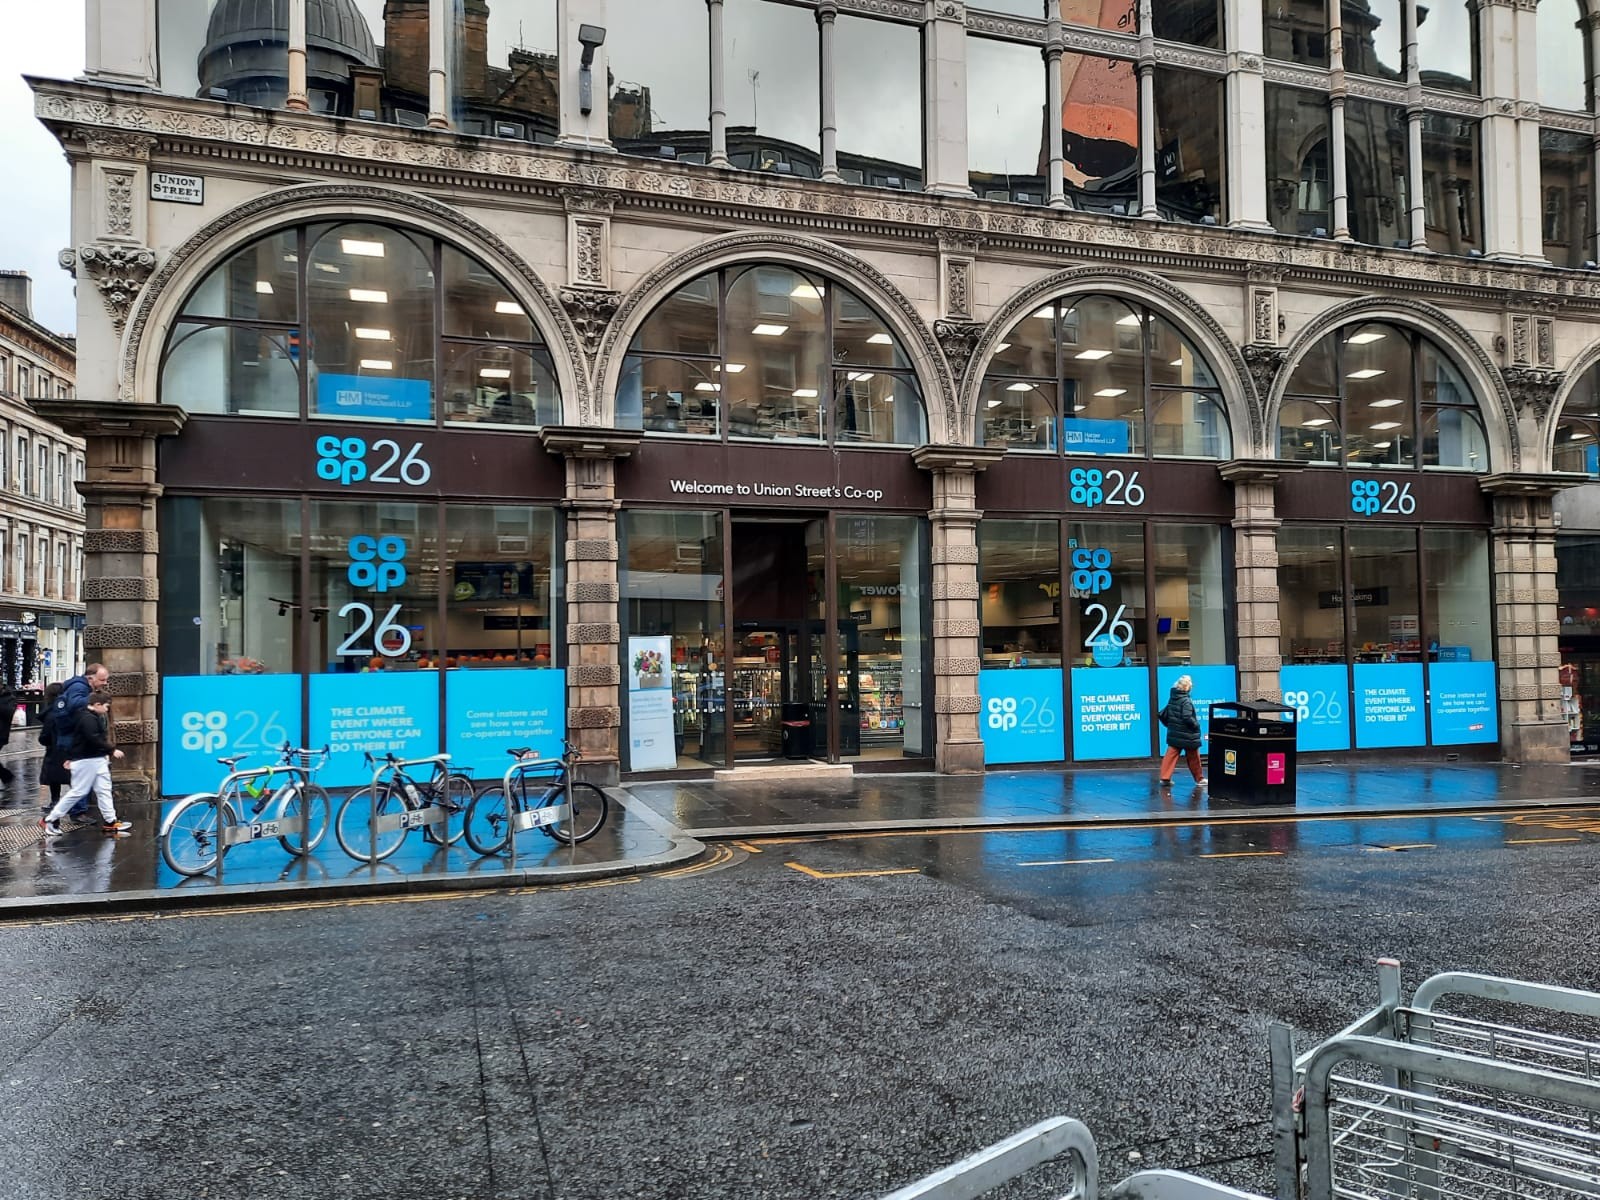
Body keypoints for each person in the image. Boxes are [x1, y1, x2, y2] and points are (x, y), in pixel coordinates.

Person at [39, 689, 130, 836]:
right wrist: (111, 750)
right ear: (97, 704)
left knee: (103, 790)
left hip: (94, 759)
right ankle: (50, 819)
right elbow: (93, 738)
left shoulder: (87, 716)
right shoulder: (88, 719)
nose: (107, 710)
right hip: (87, 760)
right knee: (78, 791)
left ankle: (110, 821)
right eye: (106, 706)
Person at [1157, 674, 1206, 789]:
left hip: (1174, 732)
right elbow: (1187, 717)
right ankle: (1199, 778)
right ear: (1187, 687)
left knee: (1171, 755)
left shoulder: (1173, 698)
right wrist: (1196, 725)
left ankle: (1165, 777)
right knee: (1194, 757)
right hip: (1187, 734)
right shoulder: (1186, 701)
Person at [36, 681, 72, 815]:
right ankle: (73, 804)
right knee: (70, 777)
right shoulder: (68, 710)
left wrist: (44, 740)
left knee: (54, 777)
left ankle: (55, 801)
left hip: (54, 749)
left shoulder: (51, 714)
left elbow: (44, 736)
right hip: (68, 749)